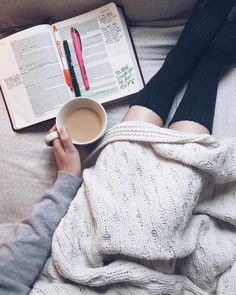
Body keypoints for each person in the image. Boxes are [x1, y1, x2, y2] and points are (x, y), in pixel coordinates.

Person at [0, 0, 236, 294]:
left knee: (121, 164)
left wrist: (68, 179)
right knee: (170, 195)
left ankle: (183, 59)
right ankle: (208, 66)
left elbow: (18, 263)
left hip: (76, 267)